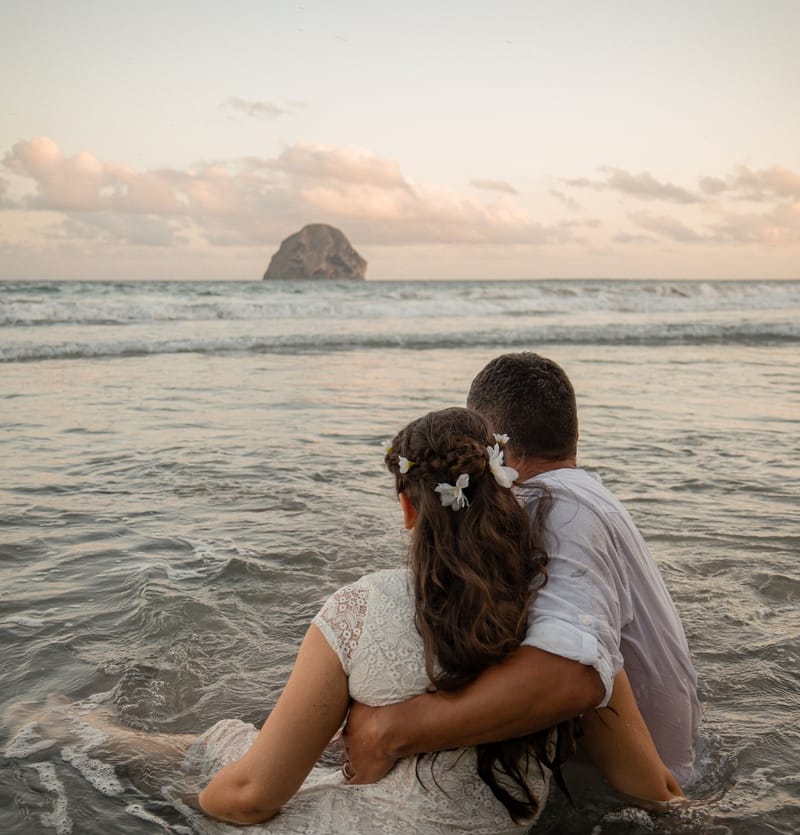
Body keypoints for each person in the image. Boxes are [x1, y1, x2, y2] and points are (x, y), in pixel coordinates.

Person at [12, 407, 604, 834]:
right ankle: (102, 735)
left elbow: (253, 800)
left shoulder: (360, 608)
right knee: (236, 746)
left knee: (223, 776)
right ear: (502, 489)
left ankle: (81, 734)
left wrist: (192, 803)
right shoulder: (558, 612)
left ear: (407, 507)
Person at [344, 353, 700, 800]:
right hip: (667, 769)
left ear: (492, 449)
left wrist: (387, 731)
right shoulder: (587, 496)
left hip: (640, 797)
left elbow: (572, 677)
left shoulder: (555, 507)